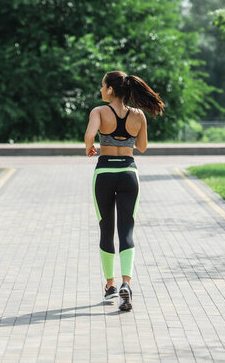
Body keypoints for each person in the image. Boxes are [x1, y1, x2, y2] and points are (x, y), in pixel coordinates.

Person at [84, 70, 164, 311]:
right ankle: (126, 284)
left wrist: (91, 147)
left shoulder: (98, 112)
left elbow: (89, 136)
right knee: (126, 229)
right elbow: (142, 147)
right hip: (129, 174)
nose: (100, 90)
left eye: (102, 86)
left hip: (105, 173)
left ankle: (109, 285)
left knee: (106, 228)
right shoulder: (138, 115)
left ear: (110, 89)